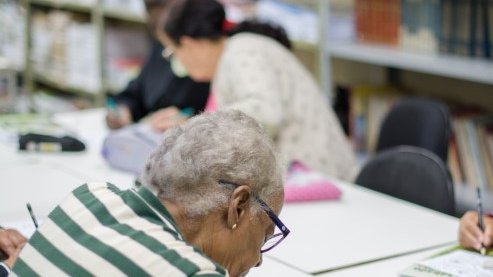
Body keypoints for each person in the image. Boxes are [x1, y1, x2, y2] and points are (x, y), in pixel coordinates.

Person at [14, 110, 288, 277]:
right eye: (265, 235)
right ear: (237, 206)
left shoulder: (88, 199)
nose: (259, 260)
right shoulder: (191, 273)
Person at [157, 0, 358, 180]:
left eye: (172, 52)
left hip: (318, 177)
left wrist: (197, 126)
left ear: (190, 44)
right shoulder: (230, 56)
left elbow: (266, 112)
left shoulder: (242, 52)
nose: (176, 61)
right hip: (303, 176)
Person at [106, 0, 210, 130]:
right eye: (155, 21)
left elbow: (226, 117)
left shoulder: (208, 52)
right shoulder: (160, 46)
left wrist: (191, 123)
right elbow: (137, 93)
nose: (163, 29)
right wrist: (123, 109)